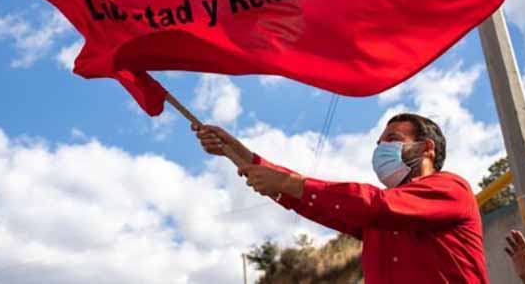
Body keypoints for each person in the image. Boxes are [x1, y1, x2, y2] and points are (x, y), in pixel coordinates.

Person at [194, 113, 488, 283]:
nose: (381, 148)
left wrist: (286, 182)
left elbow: (373, 205)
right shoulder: (377, 221)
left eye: (393, 139)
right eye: (379, 143)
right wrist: (240, 155)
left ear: (426, 148)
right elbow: (312, 202)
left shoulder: (451, 188)